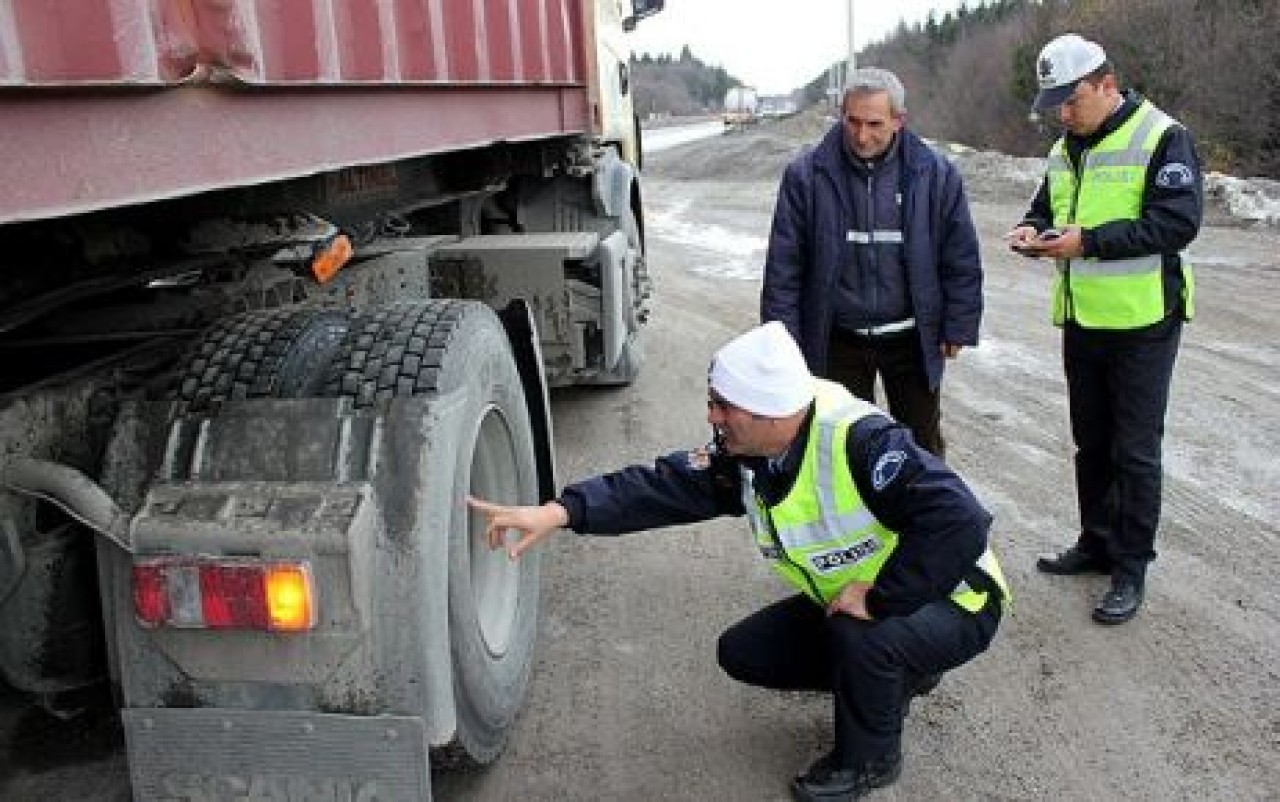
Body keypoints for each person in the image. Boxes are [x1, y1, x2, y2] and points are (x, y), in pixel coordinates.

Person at [469, 322, 1008, 801]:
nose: (712, 416)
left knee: (861, 636)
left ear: (771, 410)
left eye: (723, 406)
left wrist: (882, 599)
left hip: (956, 601)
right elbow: (661, 487)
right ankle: (900, 672)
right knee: (745, 652)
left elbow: (961, 518)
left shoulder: (860, 441)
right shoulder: (750, 454)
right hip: (870, 599)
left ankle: (871, 759)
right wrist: (561, 512)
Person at [1007, 33, 1202, 624]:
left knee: (1134, 452)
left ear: (1107, 85)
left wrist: (1087, 243)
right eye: (1056, 105)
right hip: (1084, 318)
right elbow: (1047, 208)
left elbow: (1176, 224)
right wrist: (1031, 230)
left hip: (1144, 320)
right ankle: (1096, 544)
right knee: (1091, 443)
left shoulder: (1162, 136)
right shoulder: (1063, 150)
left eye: (1073, 101)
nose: (1064, 115)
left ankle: (1130, 568)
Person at [761, 67, 983, 460]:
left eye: (875, 124)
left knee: (920, 451)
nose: (862, 136)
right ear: (841, 116)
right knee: (842, 448)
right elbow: (784, 268)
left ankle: (921, 502)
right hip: (837, 340)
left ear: (899, 120)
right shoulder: (806, 176)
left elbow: (959, 255)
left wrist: (959, 323)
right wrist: (783, 341)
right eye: (853, 122)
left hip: (911, 339)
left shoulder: (935, 174)